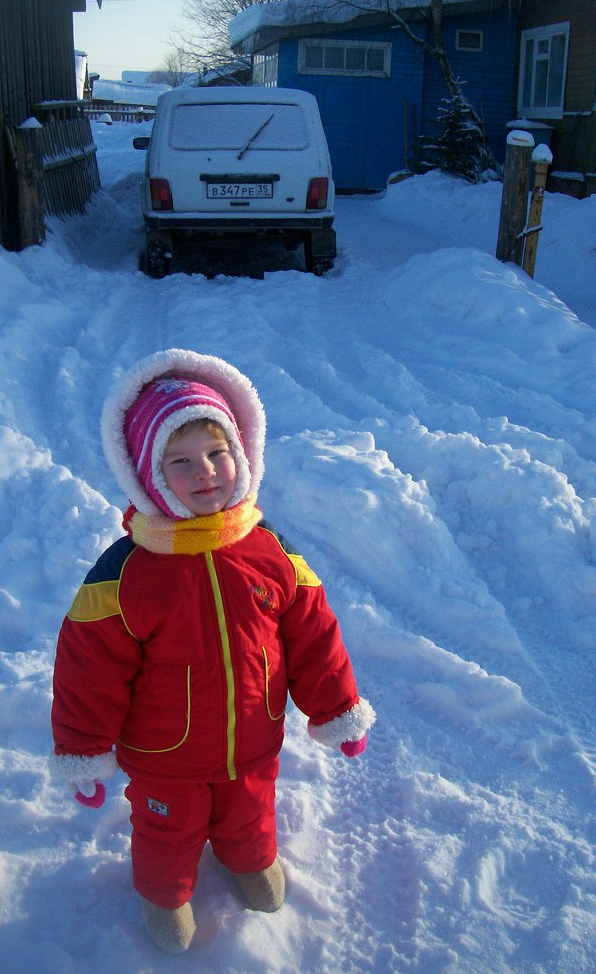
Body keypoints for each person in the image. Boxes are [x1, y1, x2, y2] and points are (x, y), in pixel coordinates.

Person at [51, 348, 376, 954]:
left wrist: (336, 707)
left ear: (242, 454)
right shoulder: (125, 575)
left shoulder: (269, 550)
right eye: (180, 461)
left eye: (216, 453)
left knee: (251, 816)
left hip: (254, 742)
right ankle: (165, 896)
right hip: (163, 758)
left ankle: (246, 861)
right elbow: (86, 672)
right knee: (165, 835)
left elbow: (314, 636)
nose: (205, 473)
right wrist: (82, 750)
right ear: (148, 475)